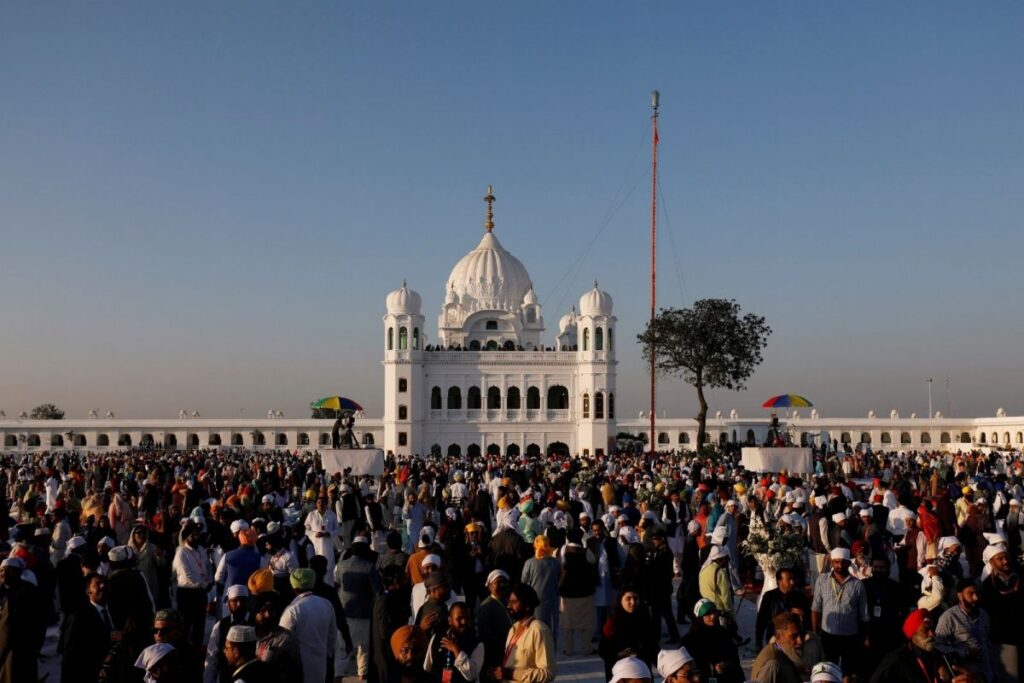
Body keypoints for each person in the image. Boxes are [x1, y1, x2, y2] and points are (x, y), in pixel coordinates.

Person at [870, 609, 976, 683]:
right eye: (925, 630)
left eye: (932, 629)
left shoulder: (940, 656)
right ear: (913, 634)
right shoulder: (897, 659)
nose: (932, 634)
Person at [811, 547, 869, 676]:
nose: (839, 565)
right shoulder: (822, 581)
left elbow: (864, 615)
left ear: (849, 563)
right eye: (836, 562)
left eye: (843, 562)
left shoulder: (857, 585)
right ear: (831, 562)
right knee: (829, 668)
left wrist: (864, 637)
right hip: (828, 634)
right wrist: (815, 631)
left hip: (850, 635)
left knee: (848, 670)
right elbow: (816, 608)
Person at [487, 584, 555, 683]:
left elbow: (548, 673)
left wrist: (512, 674)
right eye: (509, 602)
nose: (509, 606)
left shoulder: (539, 630)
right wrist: (499, 673)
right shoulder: (513, 628)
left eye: (514, 602)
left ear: (527, 606)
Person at [280, 568, 338, 683]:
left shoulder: (292, 610)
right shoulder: (326, 604)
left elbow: (282, 641)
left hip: (297, 668)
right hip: (320, 665)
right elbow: (332, 635)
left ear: (294, 587)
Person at [336, 535, 381, 679]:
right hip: (364, 612)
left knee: (343, 648)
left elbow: (337, 581)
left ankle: (338, 674)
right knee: (364, 647)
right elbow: (377, 591)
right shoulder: (369, 567)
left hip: (345, 611)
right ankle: (362, 673)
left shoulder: (342, 565)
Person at [60, 572, 114, 683]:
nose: (103, 586)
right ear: (88, 591)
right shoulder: (79, 617)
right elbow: (70, 657)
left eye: (105, 583)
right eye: (97, 584)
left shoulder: (116, 612)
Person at [978, 543, 1021, 683]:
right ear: (991, 562)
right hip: (1005, 640)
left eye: (1006, 557)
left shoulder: (1020, 576)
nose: (1005, 561)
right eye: (1000, 559)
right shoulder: (987, 586)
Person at [935, 578, 992, 683]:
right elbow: (938, 646)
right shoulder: (949, 617)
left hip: (987, 672)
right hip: (965, 675)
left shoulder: (983, 614)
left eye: (977, 593)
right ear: (960, 596)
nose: (976, 597)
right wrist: (964, 653)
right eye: (970, 594)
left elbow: (988, 640)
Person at [598, 587, 658, 680]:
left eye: (635, 598)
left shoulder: (645, 620)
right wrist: (620, 654)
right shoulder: (612, 623)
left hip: (642, 672)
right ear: (620, 600)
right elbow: (603, 650)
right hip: (620, 674)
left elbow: (653, 647)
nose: (633, 602)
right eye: (628, 598)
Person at [172, 519, 214, 648]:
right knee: (185, 625)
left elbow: (207, 567)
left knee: (199, 625)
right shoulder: (181, 553)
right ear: (186, 538)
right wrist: (203, 584)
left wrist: (209, 581)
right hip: (187, 593)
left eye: (197, 534)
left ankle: (196, 651)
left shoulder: (201, 549)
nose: (197, 537)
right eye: (193, 535)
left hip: (200, 592)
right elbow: (187, 575)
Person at [680, 599, 743, 683]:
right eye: (707, 614)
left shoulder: (723, 633)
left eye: (714, 612)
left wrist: (726, 665)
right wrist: (712, 667)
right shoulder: (691, 640)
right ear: (700, 617)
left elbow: (734, 657)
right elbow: (688, 667)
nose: (713, 616)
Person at [423, 601, 485, 683]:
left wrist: (456, 650)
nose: (464, 622)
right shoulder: (437, 638)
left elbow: (472, 675)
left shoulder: (477, 644)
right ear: (450, 620)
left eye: (467, 618)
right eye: (459, 619)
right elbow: (427, 668)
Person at [205, 584, 253, 683]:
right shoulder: (221, 626)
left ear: (248, 602)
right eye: (235, 601)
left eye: (243, 600)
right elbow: (212, 657)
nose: (239, 604)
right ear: (228, 603)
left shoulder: (255, 623)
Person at [253, 593, 304, 683]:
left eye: (270, 610)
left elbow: (295, 673)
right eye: (263, 611)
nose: (267, 614)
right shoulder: (250, 636)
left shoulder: (286, 638)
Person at [755, 567, 810, 649]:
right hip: (776, 639)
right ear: (780, 581)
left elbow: (809, 619)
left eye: (793, 579)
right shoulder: (770, 597)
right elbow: (761, 620)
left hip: (795, 639)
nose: (792, 582)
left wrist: (802, 615)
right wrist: (758, 642)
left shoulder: (800, 597)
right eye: (789, 579)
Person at [521, 536, 560, 645]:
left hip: (535, 603)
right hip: (552, 602)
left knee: (536, 630)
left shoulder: (529, 563)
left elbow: (523, 581)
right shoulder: (555, 562)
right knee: (551, 631)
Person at [475, 570, 512, 683]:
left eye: (505, 582)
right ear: (490, 586)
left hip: (508, 654)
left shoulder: (508, 601)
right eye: (499, 582)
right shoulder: (486, 606)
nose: (502, 585)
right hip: (493, 657)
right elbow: (485, 635)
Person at [751, 612, 805, 683]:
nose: (800, 641)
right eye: (793, 636)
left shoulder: (785, 653)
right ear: (778, 637)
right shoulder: (772, 666)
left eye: (802, 635)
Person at [305, 495, 341, 586]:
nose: (321, 504)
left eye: (323, 503)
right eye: (319, 503)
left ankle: (329, 586)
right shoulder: (311, 515)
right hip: (315, 545)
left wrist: (328, 534)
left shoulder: (331, 514)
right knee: (316, 568)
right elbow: (305, 529)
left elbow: (337, 529)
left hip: (328, 545)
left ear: (326, 504)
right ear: (316, 504)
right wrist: (314, 534)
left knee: (329, 567)